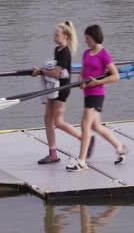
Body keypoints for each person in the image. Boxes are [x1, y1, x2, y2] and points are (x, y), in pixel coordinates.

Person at [66, 24, 128, 172]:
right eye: (85, 38)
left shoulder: (103, 54)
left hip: (97, 94)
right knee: (95, 126)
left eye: (87, 38)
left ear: (94, 38)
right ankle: (120, 148)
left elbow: (115, 75)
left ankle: (81, 161)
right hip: (87, 93)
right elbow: (82, 72)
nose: (85, 41)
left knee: (85, 124)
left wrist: (98, 82)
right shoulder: (86, 53)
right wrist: (81, 81)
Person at [32, 21, 94, 164]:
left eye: (57, 34)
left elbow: (56, 72)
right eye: (54, 33)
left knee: (58, 122)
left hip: (62, 89)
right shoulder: (57, 49)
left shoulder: (65, 52)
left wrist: (40, 71)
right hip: (53, 87)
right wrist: (42, 71)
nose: (54, 36)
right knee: (47, 118)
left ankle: (84, 139)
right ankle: (52, 153)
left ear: (65, 36)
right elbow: (54, 70)